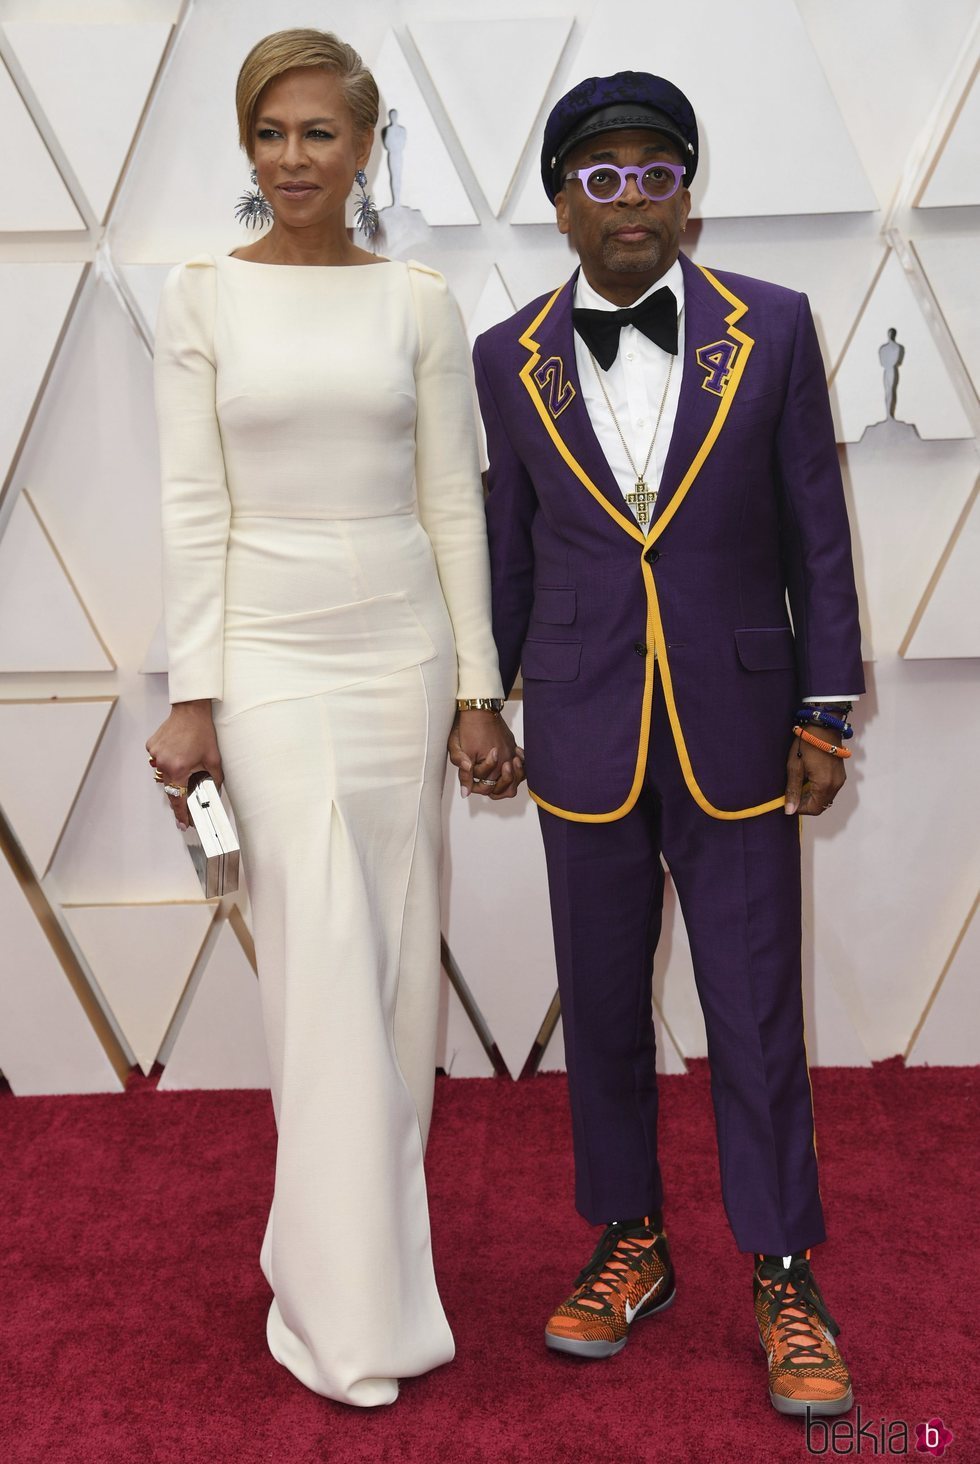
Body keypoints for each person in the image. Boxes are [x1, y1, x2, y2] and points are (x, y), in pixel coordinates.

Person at [472, 71, 864, 1419]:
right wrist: (483, 695)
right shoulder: (505, 356)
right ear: (562, 206)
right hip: (582, 725)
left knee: (756, 1012)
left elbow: (817, 523)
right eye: (601, 176)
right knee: (601, 1007)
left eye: (654, 173)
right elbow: (506, 549)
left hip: (745, 729)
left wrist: (825, 709)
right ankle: (629, 1241)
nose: (629, 199)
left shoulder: (775, 329)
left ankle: (782, 1269)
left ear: (688, 198)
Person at [146, 27, 521, 1408]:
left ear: (365, 150)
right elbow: (192, 506)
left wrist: (478, 687)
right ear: (247, 148)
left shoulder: (417, 302)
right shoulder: (200, 299)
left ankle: (359, 1262)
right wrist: (195, 696)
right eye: (270, 132)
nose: (292, 157)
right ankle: (339, 1304)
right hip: (269, 657)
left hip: (401, 653)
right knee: (319, 972)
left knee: (393, 979)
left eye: (318, 133)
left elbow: (450, 506)